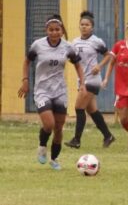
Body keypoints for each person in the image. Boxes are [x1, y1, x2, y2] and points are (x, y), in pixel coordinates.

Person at [18, 14, 85, 170]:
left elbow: (78, 65)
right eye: (51, 30)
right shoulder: (37, 45)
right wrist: (25, 80)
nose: (54, 33)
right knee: (49, 124)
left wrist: (82, 82)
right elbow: (27, 61)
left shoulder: (68, 47)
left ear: (62, 31)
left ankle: (54, 159)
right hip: (42, 90)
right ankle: (42, 147)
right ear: (46, 30)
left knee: (59, 128)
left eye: (57, 29)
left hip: (60, 91)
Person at [64, 11, 115, 149]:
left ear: (92, 27)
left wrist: (99, 66)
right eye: (82, 24)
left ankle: (76, 140)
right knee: (92, 110)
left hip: (92, 80)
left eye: (87, 25)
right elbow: (73, 59)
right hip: (81, 80)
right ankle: (108, 136)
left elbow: (108, 55)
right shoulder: (74, 42)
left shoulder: (96, 41)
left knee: (78, 108)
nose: (84, 27)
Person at [102, 17, 128, 151]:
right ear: (126, 31)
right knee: (124, 120)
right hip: (121, 86)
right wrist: (106, 79)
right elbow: (111, 62)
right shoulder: (119, 45)